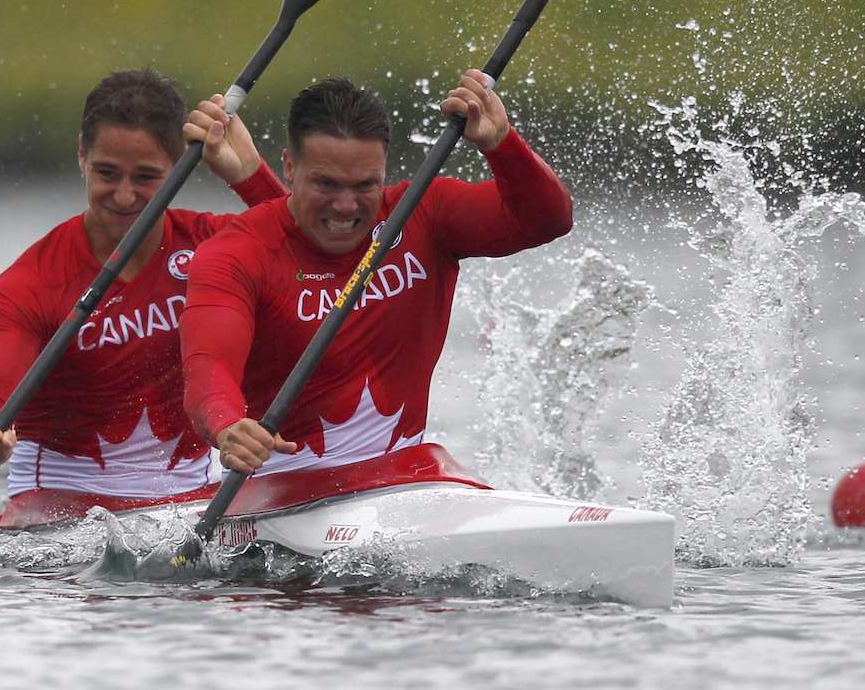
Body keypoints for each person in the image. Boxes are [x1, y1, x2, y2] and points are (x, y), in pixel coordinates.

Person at [181, 70, 573, 475]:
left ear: (384, 171)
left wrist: (502, 144)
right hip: (279, 489)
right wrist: (228, 426)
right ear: (290, 168)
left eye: (365, 185)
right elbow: (209, 369)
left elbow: (548, 220)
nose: (346, 206)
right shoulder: (235, 254)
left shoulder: (424, 214)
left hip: (401, 481)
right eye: (326, 184)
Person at [0, 69, 286, 511]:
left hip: (195, 500)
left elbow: (322, 263)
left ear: (179, 169)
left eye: (146, 177)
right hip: (58, 508)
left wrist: (250, 176)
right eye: (107, 173)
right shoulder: (32, 284)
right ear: (82, 156)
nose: (124, 197)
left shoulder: (213, 247)